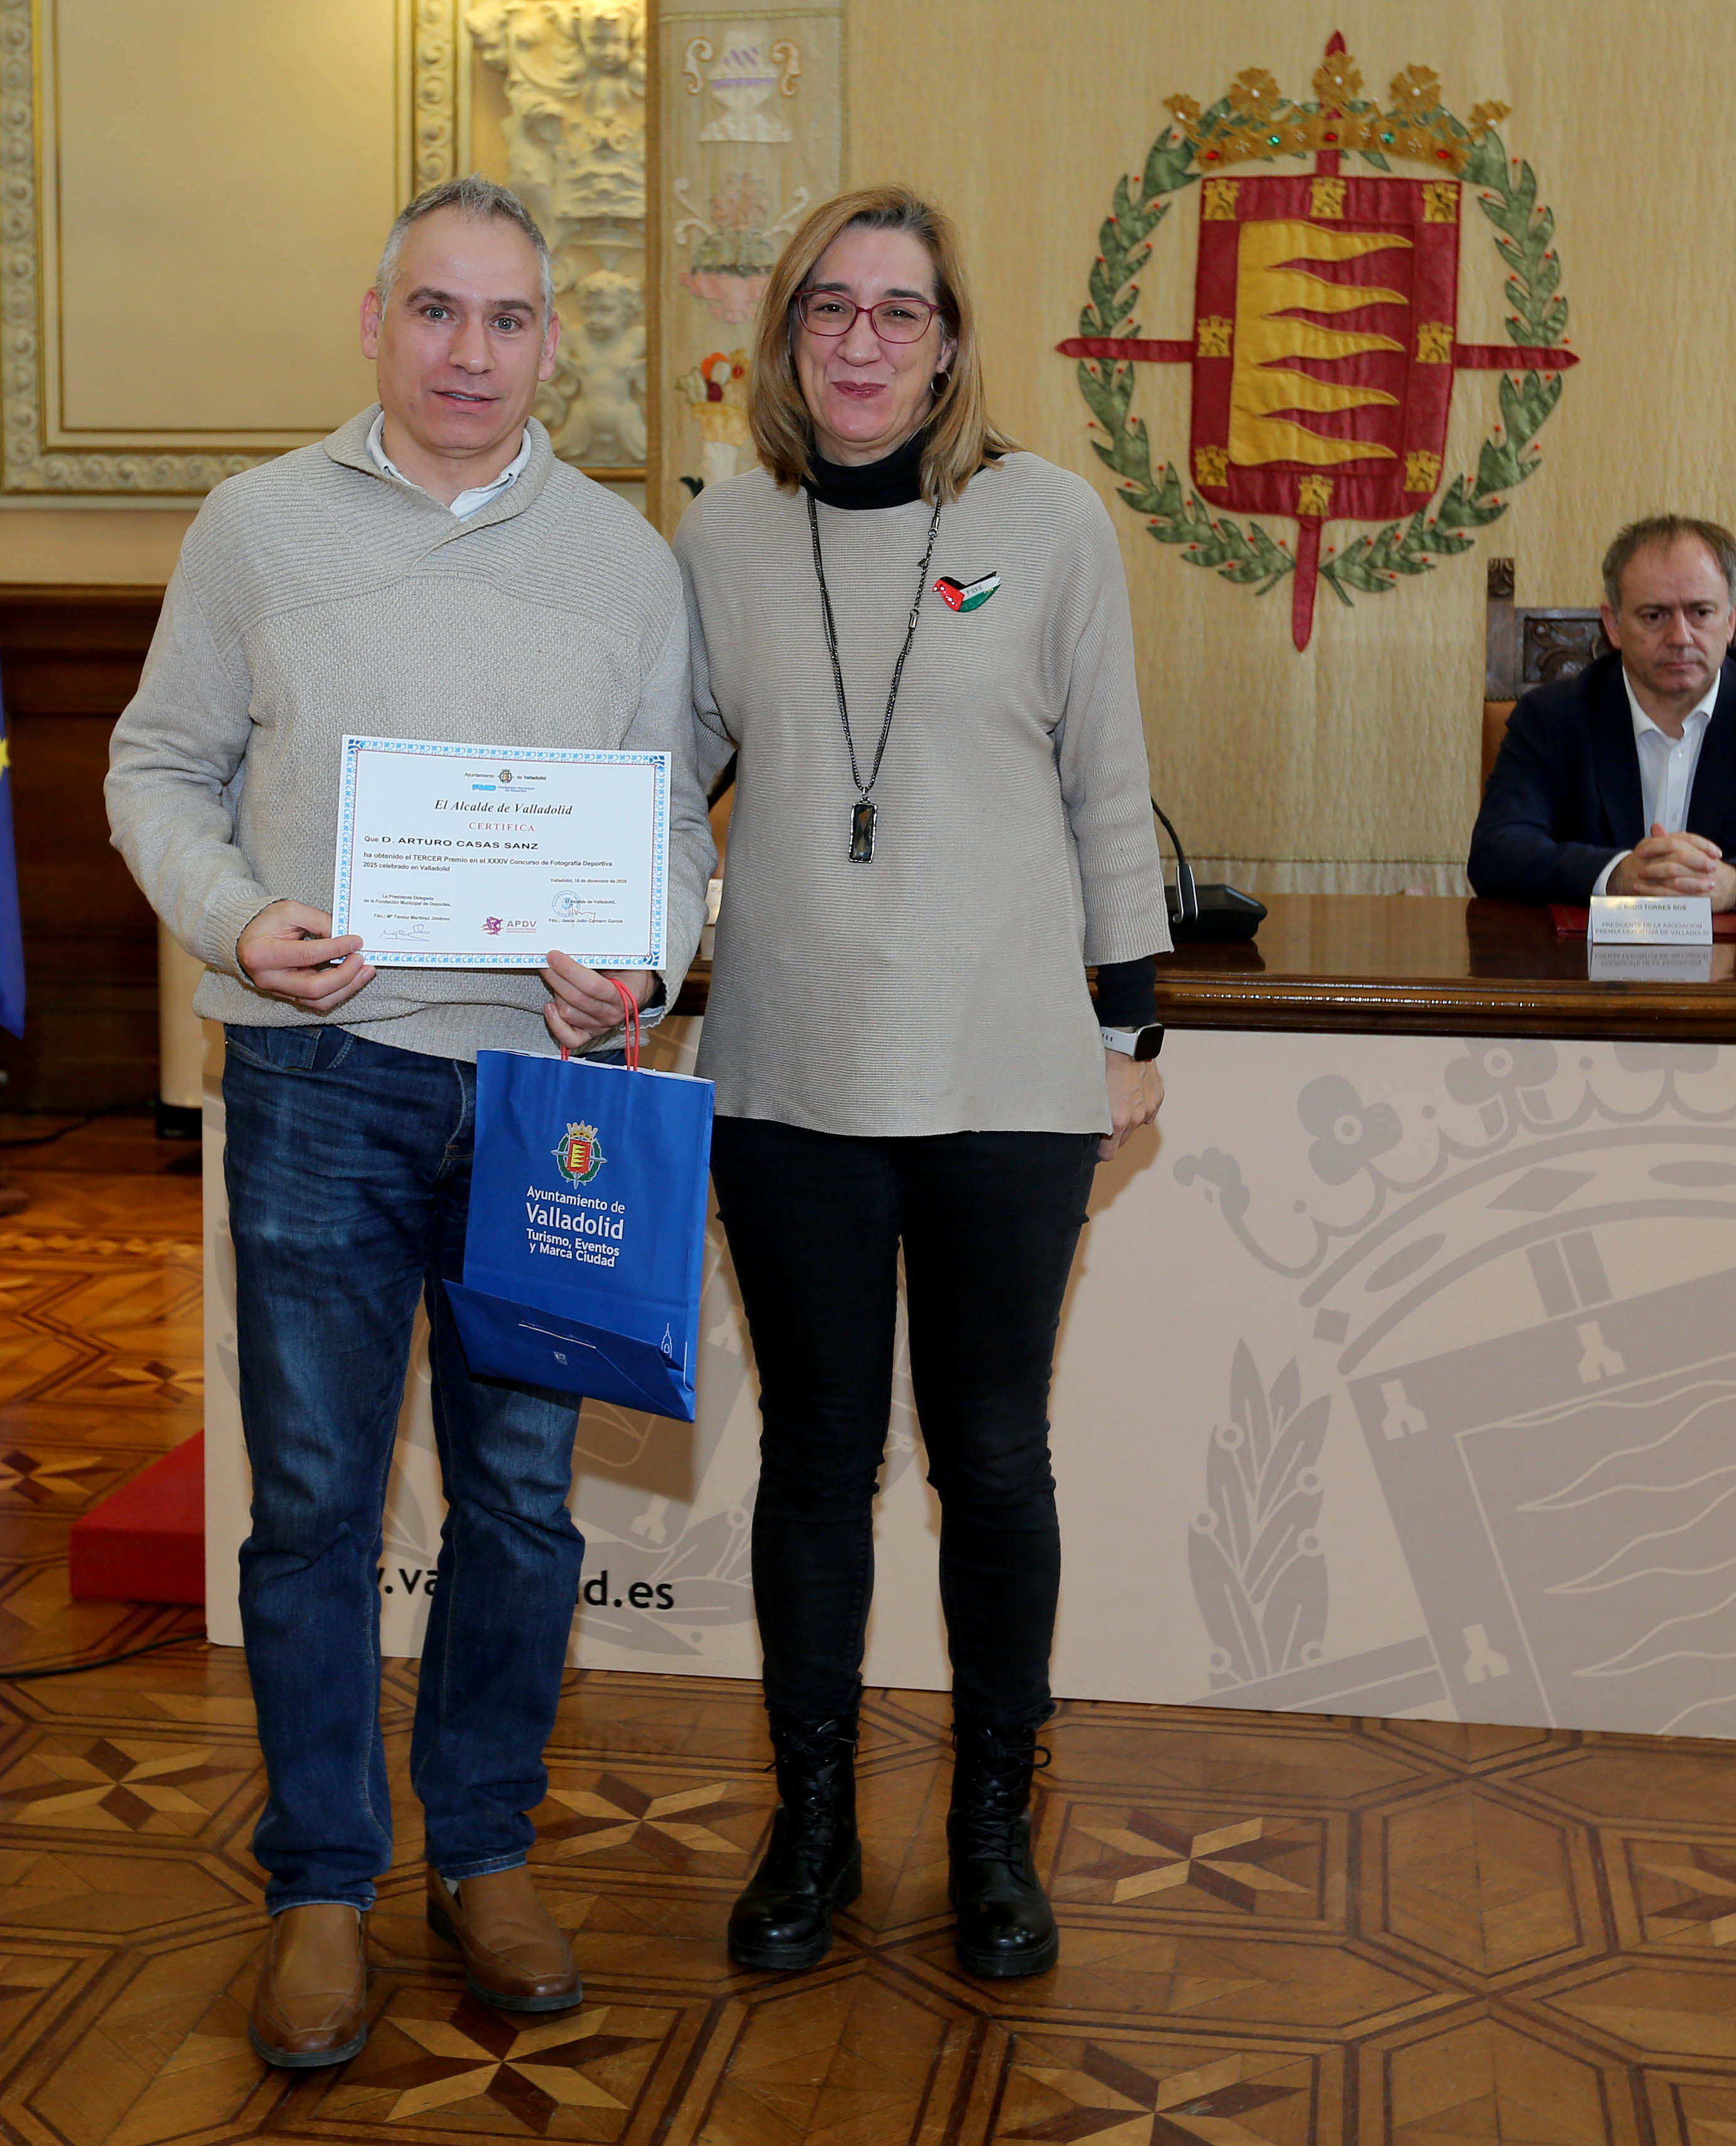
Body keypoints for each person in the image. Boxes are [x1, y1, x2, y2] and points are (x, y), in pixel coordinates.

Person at [106, 176, 714, 2069]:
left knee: (521, 1509)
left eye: (509, 320)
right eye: (437, 313)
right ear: (372, 321)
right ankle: (315, 1889)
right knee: (308, 1508)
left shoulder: (629, 563)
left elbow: (678, 830)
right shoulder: (253, 529)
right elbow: (157, 764)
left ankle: (484, 1857)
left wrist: (642, 969)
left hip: (545, 1106)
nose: (471, 353)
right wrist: (232, 919)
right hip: (316, 1084)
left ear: (553, 344)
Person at [674, 186, 1172, 1981]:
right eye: (833, 308)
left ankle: (988, 1832)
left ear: (953, 339)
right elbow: (669, 786)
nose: (866, 340)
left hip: (1009, 1078)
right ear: (786, 335)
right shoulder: (725, 535)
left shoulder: (1047, 523)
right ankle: (810, 1825)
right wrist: (623, 949)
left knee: (992, 1457)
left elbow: (1112, 786)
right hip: (788, 1076)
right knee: (815, 1462)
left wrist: (1131, 1034)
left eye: (903, 311)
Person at [1469, 516, 1736, 908]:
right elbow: (1497, 854)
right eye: (1654, 615)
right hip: (1586, 967)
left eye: (1701, 612)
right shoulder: (1553, 717)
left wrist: (1732, 885)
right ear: (1612, 625)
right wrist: (1618, 875)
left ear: (1730, 621)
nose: (1680, 637)